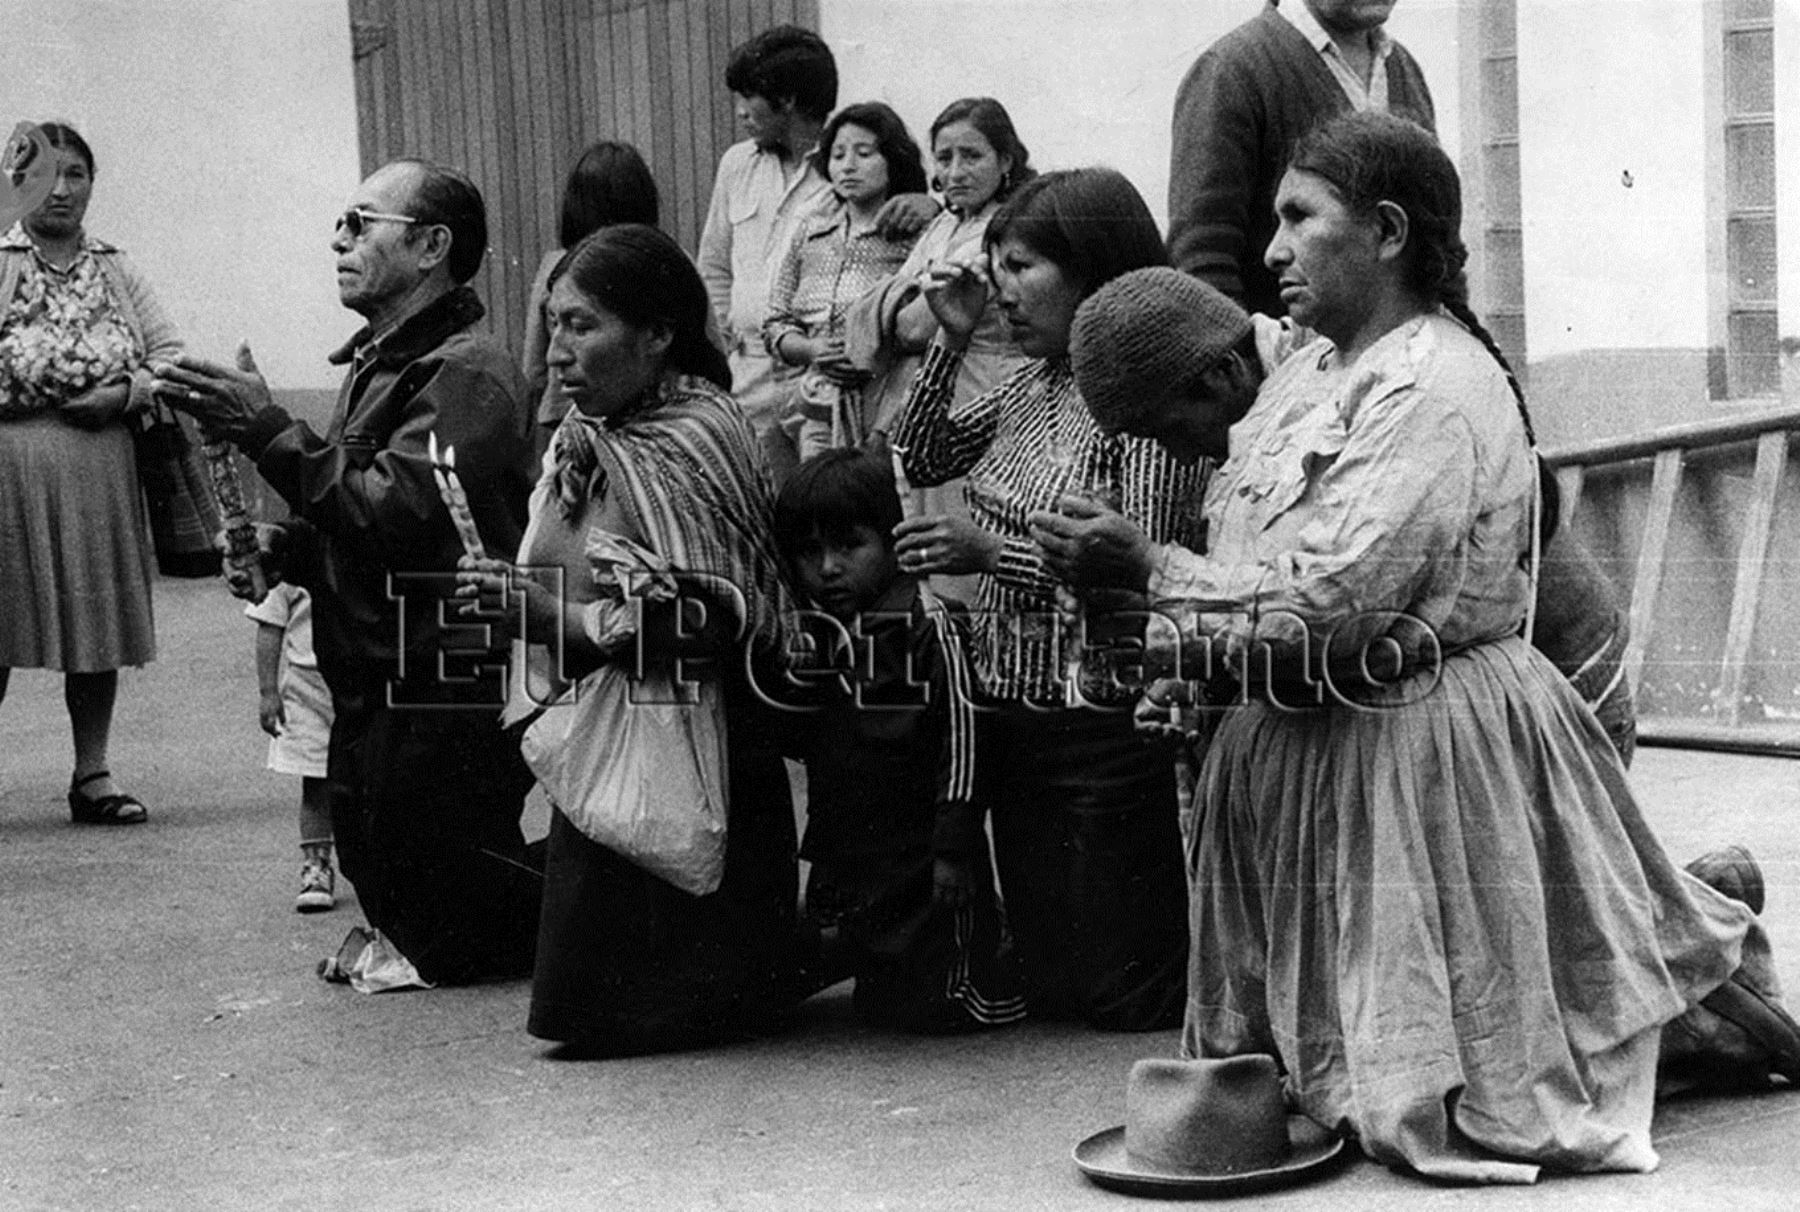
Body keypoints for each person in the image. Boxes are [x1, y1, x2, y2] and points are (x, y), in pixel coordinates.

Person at [1034, 110, 1788, 1182]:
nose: (1271, 250)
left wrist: (1151, 575)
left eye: (1299, 219)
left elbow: (1340, 605)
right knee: (1385, 1048)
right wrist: (1145, 621)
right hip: (1322, 743)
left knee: (1498, 1060)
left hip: (1421, 737)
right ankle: (1680, 957)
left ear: (1386, 232)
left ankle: (1712, 1002)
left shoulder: (1435, 383)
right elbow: (1256, 560)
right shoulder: (1305, 374)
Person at [153, 158, 542, 986]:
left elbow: (395, 513)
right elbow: (349, 507)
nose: (339, 238)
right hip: (373, 668)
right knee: (381, 854)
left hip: (440, 671)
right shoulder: (381, 362)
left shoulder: (465, 372)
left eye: (362, 223)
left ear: (432, 246)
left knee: (454, 909)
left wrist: (266, 430)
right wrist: (283, 547)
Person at [1061, 266, 1638, 765]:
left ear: (1222, 374)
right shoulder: (1277, 395)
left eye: (1169, 430)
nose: (1179, 456)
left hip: (1562, 673)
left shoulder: (1371, 383)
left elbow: (1337, 607)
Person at [457, 224, 802, 1056]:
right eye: (554, 325)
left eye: (583, 326)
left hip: (699, 740)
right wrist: (523, 596)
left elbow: (716, 619)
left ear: (657, 335)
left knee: (660, 1003)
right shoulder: (587, 438)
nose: (559, 352)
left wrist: (555, 621)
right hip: (616, 736)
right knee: (592, 1006)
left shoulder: (697, 435)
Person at [888, 168, 1209, 1031]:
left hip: (1103, 717)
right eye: (997, 265)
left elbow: (1135, 565)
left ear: (1095, 274)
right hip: (1018, 708)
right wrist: (949, 344)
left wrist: (987, 551)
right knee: (1054, 981)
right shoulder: (1036, 387)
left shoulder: (1139, 406)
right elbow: (921, 457)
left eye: (1023, 266)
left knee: (1120, 991)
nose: (1002, 289)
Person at [773, 448, 1026, 1033]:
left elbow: (964, 738)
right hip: (863, 840)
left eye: (849, 546)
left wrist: (954, 847)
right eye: (810, 553)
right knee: (883, 987)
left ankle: (999, 969)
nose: (829, 568)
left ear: (893, 543)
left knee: (946, 991)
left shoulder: (931, 624)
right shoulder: (830, 635)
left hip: (927, 841)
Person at [0, 122, 179, 826]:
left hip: (100, 470)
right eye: (44, 174)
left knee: (94, 623)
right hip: (8, 470)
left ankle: (92, 773)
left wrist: (126, 393)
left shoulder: (117, 267)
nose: (62, 189)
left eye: (76, 174)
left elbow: (166, 353)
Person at [697, 24, 933, 483]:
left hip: (833, 388)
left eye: (749, 97)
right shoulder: (736, 166)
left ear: (786, 100)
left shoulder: (848, 168)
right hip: (750, 380)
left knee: (829, 509)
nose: (741, 112)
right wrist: (732, 336)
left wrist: (928, 206)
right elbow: (714, 267)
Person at [1167, 1, 1434, 316]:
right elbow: (1202, 261)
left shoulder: (1404, 68)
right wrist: (1248, 360)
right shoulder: (1231, 70)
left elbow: (1438, 242)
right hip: (1284, 358)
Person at [846, 96, 1033, 436]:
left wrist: (892, 300)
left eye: (972, 156)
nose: (956, 172)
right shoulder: (945, 222)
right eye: (944, 159)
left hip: (982, 390)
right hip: (927, 391)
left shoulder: (1004, 231)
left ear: (1005, 160)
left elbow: (913, 328)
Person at [763, 102, 927, 459]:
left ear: (893, 159)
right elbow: (775, 322)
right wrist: (811, 350)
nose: (848, 165)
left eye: (864, 153)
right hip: (814, 401)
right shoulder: (809, 230)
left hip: (888, 402)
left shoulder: (915, 231)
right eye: (838, 155)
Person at [520, 140, 660, 461]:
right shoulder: (668, 261)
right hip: (653, 419)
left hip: (566, 413)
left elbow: (533, 370)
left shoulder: (555, 268)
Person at [247, 581, 337, 912]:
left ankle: (381, 864)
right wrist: (268, 691)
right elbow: (270, 626)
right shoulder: (286, 564)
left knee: (372, 777)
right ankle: (316, 865)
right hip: (307, 685)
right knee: (315, 782)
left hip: (364, 676)